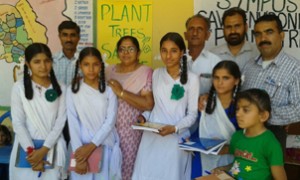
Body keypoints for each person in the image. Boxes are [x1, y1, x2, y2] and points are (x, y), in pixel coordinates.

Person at [132, 32, 199, 180]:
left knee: (171, 174)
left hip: (175, 139)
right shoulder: (156, 73)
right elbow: (155, 106)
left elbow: (193, 114)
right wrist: (144, 117)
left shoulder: (192, 79)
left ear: (182, 52)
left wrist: (174, 128)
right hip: (152, 137)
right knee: (146, 174)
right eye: (164, 50)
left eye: (173, 51)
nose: (168, 56)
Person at [242, 14, 300, 153]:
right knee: (243, 173)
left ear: (282, 35)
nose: (263, 39)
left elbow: (298, 109)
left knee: (269, 174)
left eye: (269, 32)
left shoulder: (295, 69)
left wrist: (263, 114)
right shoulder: (249, 66)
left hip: (272, 137)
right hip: (244, 135)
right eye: (258, 34)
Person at [10, 43, 67, 180]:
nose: (43, 66)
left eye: (47, 61)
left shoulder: (61, 88)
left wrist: (44, 150)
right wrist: (32, 153)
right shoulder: (19, 88)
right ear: (28, 64)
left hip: (51, 148)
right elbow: (18, 123)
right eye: (37, 62)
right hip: (26, 151)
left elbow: (60, 122)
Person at [206, 89, 287, 180]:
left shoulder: (270, 143)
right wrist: (223, 169)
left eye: (246, 110)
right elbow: (239, 164)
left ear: (263, 116)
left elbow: (280, 177)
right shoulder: (237, 136)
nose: (238, 114)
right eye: (237, 109)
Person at [67, 47, 121, 180]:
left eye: (95, 64)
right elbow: (72, 122)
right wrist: (79, 155)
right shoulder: (73, 90)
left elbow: (110, 121)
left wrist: (91, 146)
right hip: (79, 148)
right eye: (86, 64)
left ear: (101, 66)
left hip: (103, 145)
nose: (91, 69)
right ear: (80, 65)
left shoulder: (109, 90)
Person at [106, 35, 154, 180]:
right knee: (108, 170)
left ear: (138, 53)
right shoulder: (109, 71)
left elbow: (148, 104)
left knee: (127, 172)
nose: (126, 53)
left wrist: (121, 92)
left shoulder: (145, 72)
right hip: (107, 132)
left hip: (131, 133)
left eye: (131, 49)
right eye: (122, 49)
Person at [191, 61, 241, 178]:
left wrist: (229, 148)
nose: (220, 82)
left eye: (226, 78)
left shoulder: (241, 107)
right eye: (216, 78)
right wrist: (190, 142)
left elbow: (248, 140)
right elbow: (201, 129)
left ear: (236, 80)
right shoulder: (204, 103)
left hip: (230, 160)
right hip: (202, 158)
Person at [53, 20, 81, 147]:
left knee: (75, 153)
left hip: (79, 117)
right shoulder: (50, 62)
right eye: (65, 35)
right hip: (54, 116)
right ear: (59, 37)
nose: (69, 39)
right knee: (56, 151)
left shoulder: (87, 62)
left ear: (78, 37)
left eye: (72, 35)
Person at [184, 14, 221, 95]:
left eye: (200, 29)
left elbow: (221, 91)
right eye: (191, 29)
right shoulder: (177, 59)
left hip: (205, 107)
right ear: (185, 35)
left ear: (207, 35)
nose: (194, 33)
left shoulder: (216, 62)